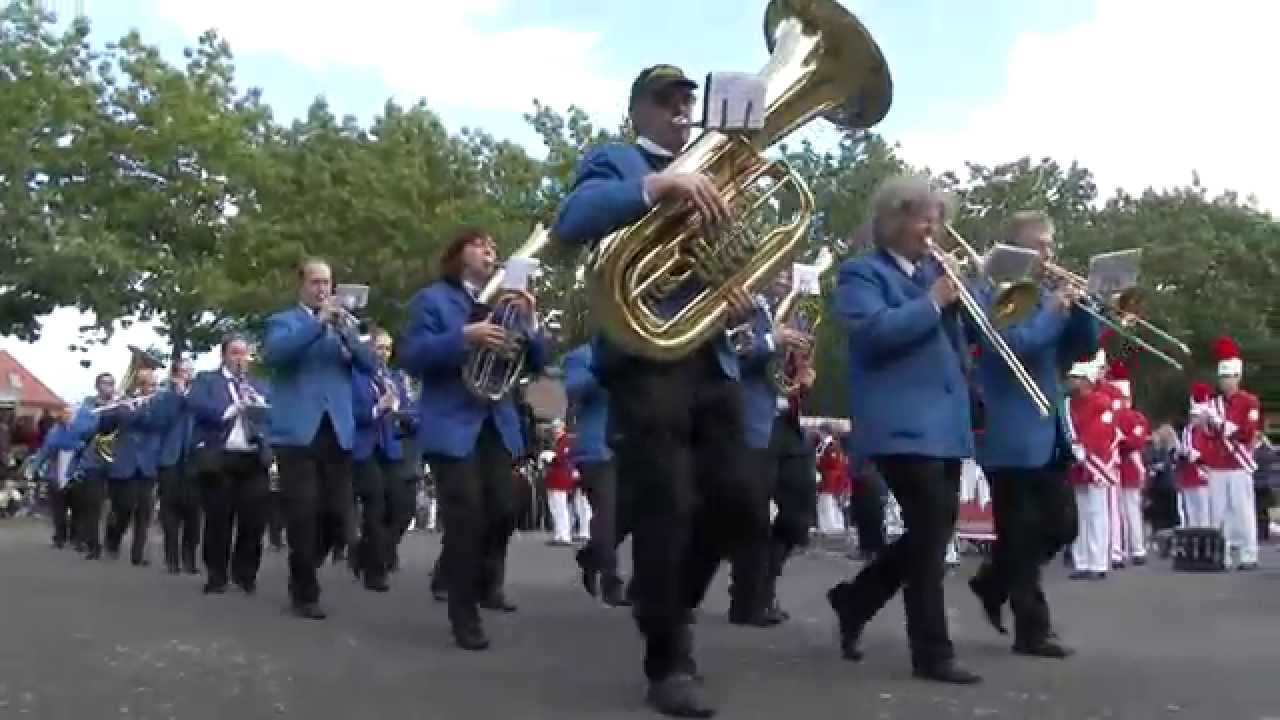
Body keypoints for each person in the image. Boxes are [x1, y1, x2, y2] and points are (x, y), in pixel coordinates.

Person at [554, 64, 759, 717]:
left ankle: (663, 602)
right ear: (639, 110)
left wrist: (736, 291)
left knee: (740, 504)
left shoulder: (719, 167)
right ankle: (668, 658)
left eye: (686, 103)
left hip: (709, 354)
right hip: (645, 358)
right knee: (666, 502)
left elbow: (731, 253)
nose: (680, 113)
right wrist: (656, 185)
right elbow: (574, 217)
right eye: (667, 103)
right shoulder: (616, 161)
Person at [825, 175, 979, 684]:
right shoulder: (861, 274)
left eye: (937, 217)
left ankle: (856, 599)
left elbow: (981, 335)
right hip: (899, 424)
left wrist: (972, 292)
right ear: (892, 221)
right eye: (920, 217)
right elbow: (873, 335)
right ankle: (933, 653)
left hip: (946, 425)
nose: (931, 227)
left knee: (930, 535)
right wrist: (932, 301)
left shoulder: (940, 273)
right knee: (931, 533)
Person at [400, 228, 548, 651]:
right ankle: (463, 614)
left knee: (503, 509)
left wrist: (531, 320)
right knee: (465, 517)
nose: (490, 251)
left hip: (496, 420)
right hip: (451, 421)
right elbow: (412, 356)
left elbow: (538, 361)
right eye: (480, 245)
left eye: (493, 248)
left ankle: (472, 578)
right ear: (458, 254)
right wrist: (466, 336)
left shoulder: (508, 303)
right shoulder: (432, 300)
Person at [964, 210, 1096, 658]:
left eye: (1051, 244)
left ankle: (993, 580)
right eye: (1040, 245)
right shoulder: (990, 292)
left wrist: (1081, 308)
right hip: (1010, 430)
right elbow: (1014, 347)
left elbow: (1082, 348)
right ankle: (1032, 630)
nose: (1050, 253)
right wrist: (1056, 311)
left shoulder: (1043, 295)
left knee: (1063, 526)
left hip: (1049, 427)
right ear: (1016, 249)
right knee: (1019, 534)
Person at [262, 258, 375, 619]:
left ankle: (306, 568)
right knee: (303, 512)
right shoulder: (283, 322)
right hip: (298, 432)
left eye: (327, 282)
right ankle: (304, 591)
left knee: (336, 514)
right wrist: (318, 323)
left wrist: (346, 332)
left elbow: (371, 364)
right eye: (315, 282)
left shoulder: (346, 325)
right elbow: (277, 355)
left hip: (337, 430)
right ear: (301, 285)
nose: (323, 289)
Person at [189, 335, 274, 594]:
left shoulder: (259, 384)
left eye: (244, 354)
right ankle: (217, 575)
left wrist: (259, 406)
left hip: (252, 458)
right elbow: (199, 407)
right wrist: (234, 407)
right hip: (221, 458)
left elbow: (272, 416)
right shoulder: (207, 381)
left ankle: (245, 574)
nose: (241, 359)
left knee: (254, 521)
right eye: (235, 353)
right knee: (218, 521)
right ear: (224, 355)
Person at [565, 342, 632, 608]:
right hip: (596, 448)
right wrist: (608, 366)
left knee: (632, 516)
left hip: (632, 446)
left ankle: (592, 556)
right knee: (607, 513)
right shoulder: (581, 356)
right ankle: (611, 582)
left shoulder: (639, 354)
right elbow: (574, 388)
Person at [350, 328, 416, 593]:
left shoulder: (395, 378)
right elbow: (353, 413)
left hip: (390, 446)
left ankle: (367, 553)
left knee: (403, 507)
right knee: (375, 503)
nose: (384, 354)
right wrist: (379, 408)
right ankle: (375, 571)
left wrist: (408, 416)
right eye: (379, 347)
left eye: (388, 349)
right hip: (364, 448)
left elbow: (410, 408)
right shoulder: (355, 377)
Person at [1202, 336, 1263, 570]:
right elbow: (1207, 435)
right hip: (1218, 463)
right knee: (1218, 512)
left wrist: (1224, 426)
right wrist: (1209, 423)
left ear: (1238, 377)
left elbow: (1248, 432)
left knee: (1243, 510)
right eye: (1223, 377)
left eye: (1230, 377)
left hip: (1238, 463)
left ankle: (1249, 554)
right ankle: (1222, 553)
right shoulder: (1214, 403)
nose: (1226, 382)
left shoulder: (1249, 402)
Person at [1065, 354, 1119, 580]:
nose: (1071, 381)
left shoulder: (1101, 401)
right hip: (1078, 464)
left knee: (1097, 514)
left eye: (1076, 377)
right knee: (1081, 514)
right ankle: (1082, 560)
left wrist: (1084, 448)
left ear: (1087, 379)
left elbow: (1104, 430)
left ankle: (1098, 562)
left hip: (1097, 462)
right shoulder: (1069, 404)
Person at [154, 359, 199, 575]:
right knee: (169, 512)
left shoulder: (200, 395)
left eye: (189, 371)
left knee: (193, 513)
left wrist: (186, 396)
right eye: (182, 371)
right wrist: (177, 395)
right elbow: (161, 420)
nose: (186, 375)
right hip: (169, 459)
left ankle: (189, 557)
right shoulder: (164, 397)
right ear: (175, 375)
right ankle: (172, 559)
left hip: (194, 459)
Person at [1107, 361, 1151, 567]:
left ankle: (1137, 547)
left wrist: (1121, 441)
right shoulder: (1112, 416)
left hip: (1130, 467)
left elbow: (1137, 441)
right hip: (1114, 467)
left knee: (1131, 510)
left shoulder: (1137, 418)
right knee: (1116, 512)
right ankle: (1119, 548)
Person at [1178, 385, 1215, 527]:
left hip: (1205, 477)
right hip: (1189, 476)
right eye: (1193, 415)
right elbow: (1185, 449)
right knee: (1192, 513)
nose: (1194, 418)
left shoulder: (1210, 431)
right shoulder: (1188, 430)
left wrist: (1201, 457)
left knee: (1205, 513)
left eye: (1197, 415)